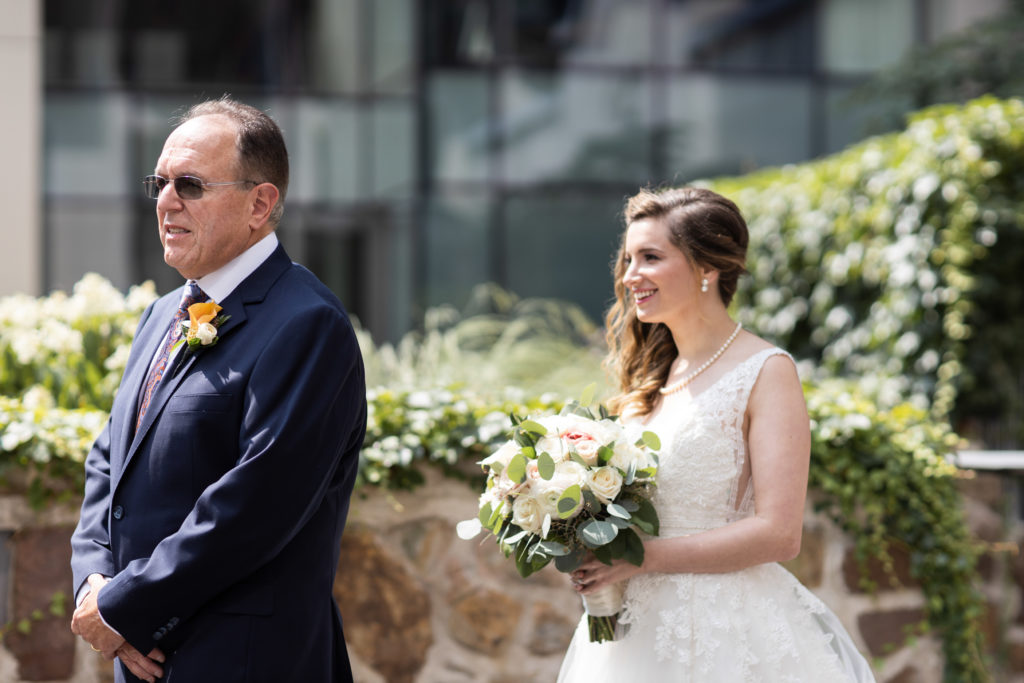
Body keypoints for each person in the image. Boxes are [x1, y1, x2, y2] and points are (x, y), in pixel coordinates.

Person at [69, 97, 366, 682]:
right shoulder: (160, 314)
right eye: (159, 182)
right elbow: (110, 460)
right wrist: (95, 585)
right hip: (146, 656)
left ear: (261, 204)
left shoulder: (308, 324)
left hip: (247, 662)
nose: (165, 201)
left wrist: (128, 608)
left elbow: (256, 506)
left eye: (190, 184)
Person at [558, 187, 875, 681]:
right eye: (627, 259)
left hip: (724, 632)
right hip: (634, 631)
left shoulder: (766, 371)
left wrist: (641, 558)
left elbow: (780, 533)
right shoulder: (653, 375)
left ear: (707, 269)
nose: (629, 275)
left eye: (650, 257)